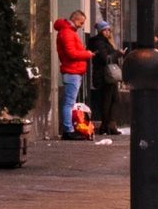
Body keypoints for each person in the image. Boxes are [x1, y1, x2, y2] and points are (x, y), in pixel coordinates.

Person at [52, 10, 90, 140]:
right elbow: (71, 53)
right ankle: (68, 130)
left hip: (73, 71)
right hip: (72, 71)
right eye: (81, 22)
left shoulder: (67, 32)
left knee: (69, 102)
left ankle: (69, 129)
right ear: (74, 19)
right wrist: (87, 54)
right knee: (69, 103)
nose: (82, 25)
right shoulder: (67, 33)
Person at [85, 19, 124, 137]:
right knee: (106, 101)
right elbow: (105, 58)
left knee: (114, 100)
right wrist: (117, 53)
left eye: (108, 30)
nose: (107, 32)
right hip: (103, 76)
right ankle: (106, 126)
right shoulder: (98, 42)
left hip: (109, 76)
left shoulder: (107, 42)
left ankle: (109, 124)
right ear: (100, 31)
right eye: (105, 30)